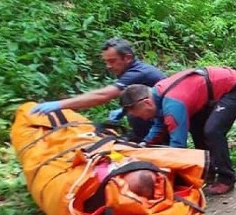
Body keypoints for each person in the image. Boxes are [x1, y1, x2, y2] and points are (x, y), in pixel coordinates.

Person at [120, 67, 236, 195]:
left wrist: (167, 178)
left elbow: (178, 148)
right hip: (208, 93)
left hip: (233, 88)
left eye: (139, 115)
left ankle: (226, 178)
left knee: (213, 131)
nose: (142, 118)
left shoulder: (173, 105)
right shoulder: (157, 96)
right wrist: (144, 144)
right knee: (196, 128)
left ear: (147, 103)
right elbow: (159, 125)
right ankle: (208, 170)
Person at [29, 38, 166, 142]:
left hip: (162, 126)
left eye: (112, 61)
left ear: (128, 58)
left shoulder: (138, 72)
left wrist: (59, 105)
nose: (108, 66)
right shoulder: (131, 71)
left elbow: (103, 95)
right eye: (106, 62)